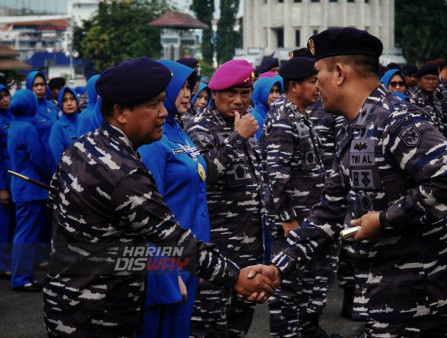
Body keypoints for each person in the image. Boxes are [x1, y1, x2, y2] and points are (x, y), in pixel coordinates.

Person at [42, 57, 278, 337]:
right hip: (98, 312)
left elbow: (53, 206)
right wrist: (235, 277)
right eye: (153, 105)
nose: (162, 113)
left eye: (161, 102)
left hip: (70, 301)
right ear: (121, 112)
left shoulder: (82, 147)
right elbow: (171, 238)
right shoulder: (124, 172)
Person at [265, 27, 447, 337]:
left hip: (419, 296)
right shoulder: (355, 127)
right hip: (387, 295)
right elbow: (329, 211)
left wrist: (384, 218)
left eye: (318, 72)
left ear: (338, 73)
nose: (316, 82)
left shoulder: (395, 119)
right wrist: (278, 267)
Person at [260, 56, 339, 338]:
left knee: (305, 285)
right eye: (311, 82)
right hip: (292, 222)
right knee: (287, 289)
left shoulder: (299, 112)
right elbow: (275, 178)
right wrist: (287, 220)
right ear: (294, 86)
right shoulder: (284, 118)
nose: (317, 87)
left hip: (307, 219)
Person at [187, 59, 266, 337]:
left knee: (239, 325)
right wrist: (236, 137)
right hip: (217, 249)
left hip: (248, 247)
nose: (238, 101)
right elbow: (202, 174)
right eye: (231, 93)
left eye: (245, 94)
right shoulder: (200, 129)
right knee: (208, 325)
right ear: (215, 93)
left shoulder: (247, 125)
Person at [138, 59, 207, 338]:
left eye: (190, 86)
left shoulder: (177, 130)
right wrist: (164, 273)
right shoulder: (154, 140)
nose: (188, 93)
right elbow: (147, 214)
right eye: (181, 87)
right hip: (167, 262)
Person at [7, 89, 53, 292]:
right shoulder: (28, 127)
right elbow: (38, 158)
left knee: (23, 233)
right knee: (26, 234)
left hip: (21, 187)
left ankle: (22, 275)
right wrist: (51, 177)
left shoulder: (15, 124)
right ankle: (21, 278)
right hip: (32, 187)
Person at [0, 84, 14, 280]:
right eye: (0, 96)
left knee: (13, 223)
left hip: (15, 177)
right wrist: (2, 187)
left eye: (6, 95)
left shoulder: (13, 116)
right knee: (3, 224)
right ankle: (3, 264)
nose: (4, 99)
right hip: (4, 177)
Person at [48, 86, 80, 168]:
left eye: (72, 99)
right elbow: (59, 159)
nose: (69, 103)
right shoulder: (57, 127)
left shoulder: (84, 121)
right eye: (65, 100)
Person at [250, 75, 282, 140]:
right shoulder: (256, 118)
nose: (275, 95)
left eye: (277, 91)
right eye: (271, 91)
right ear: (261, 93)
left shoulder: (275, 112)